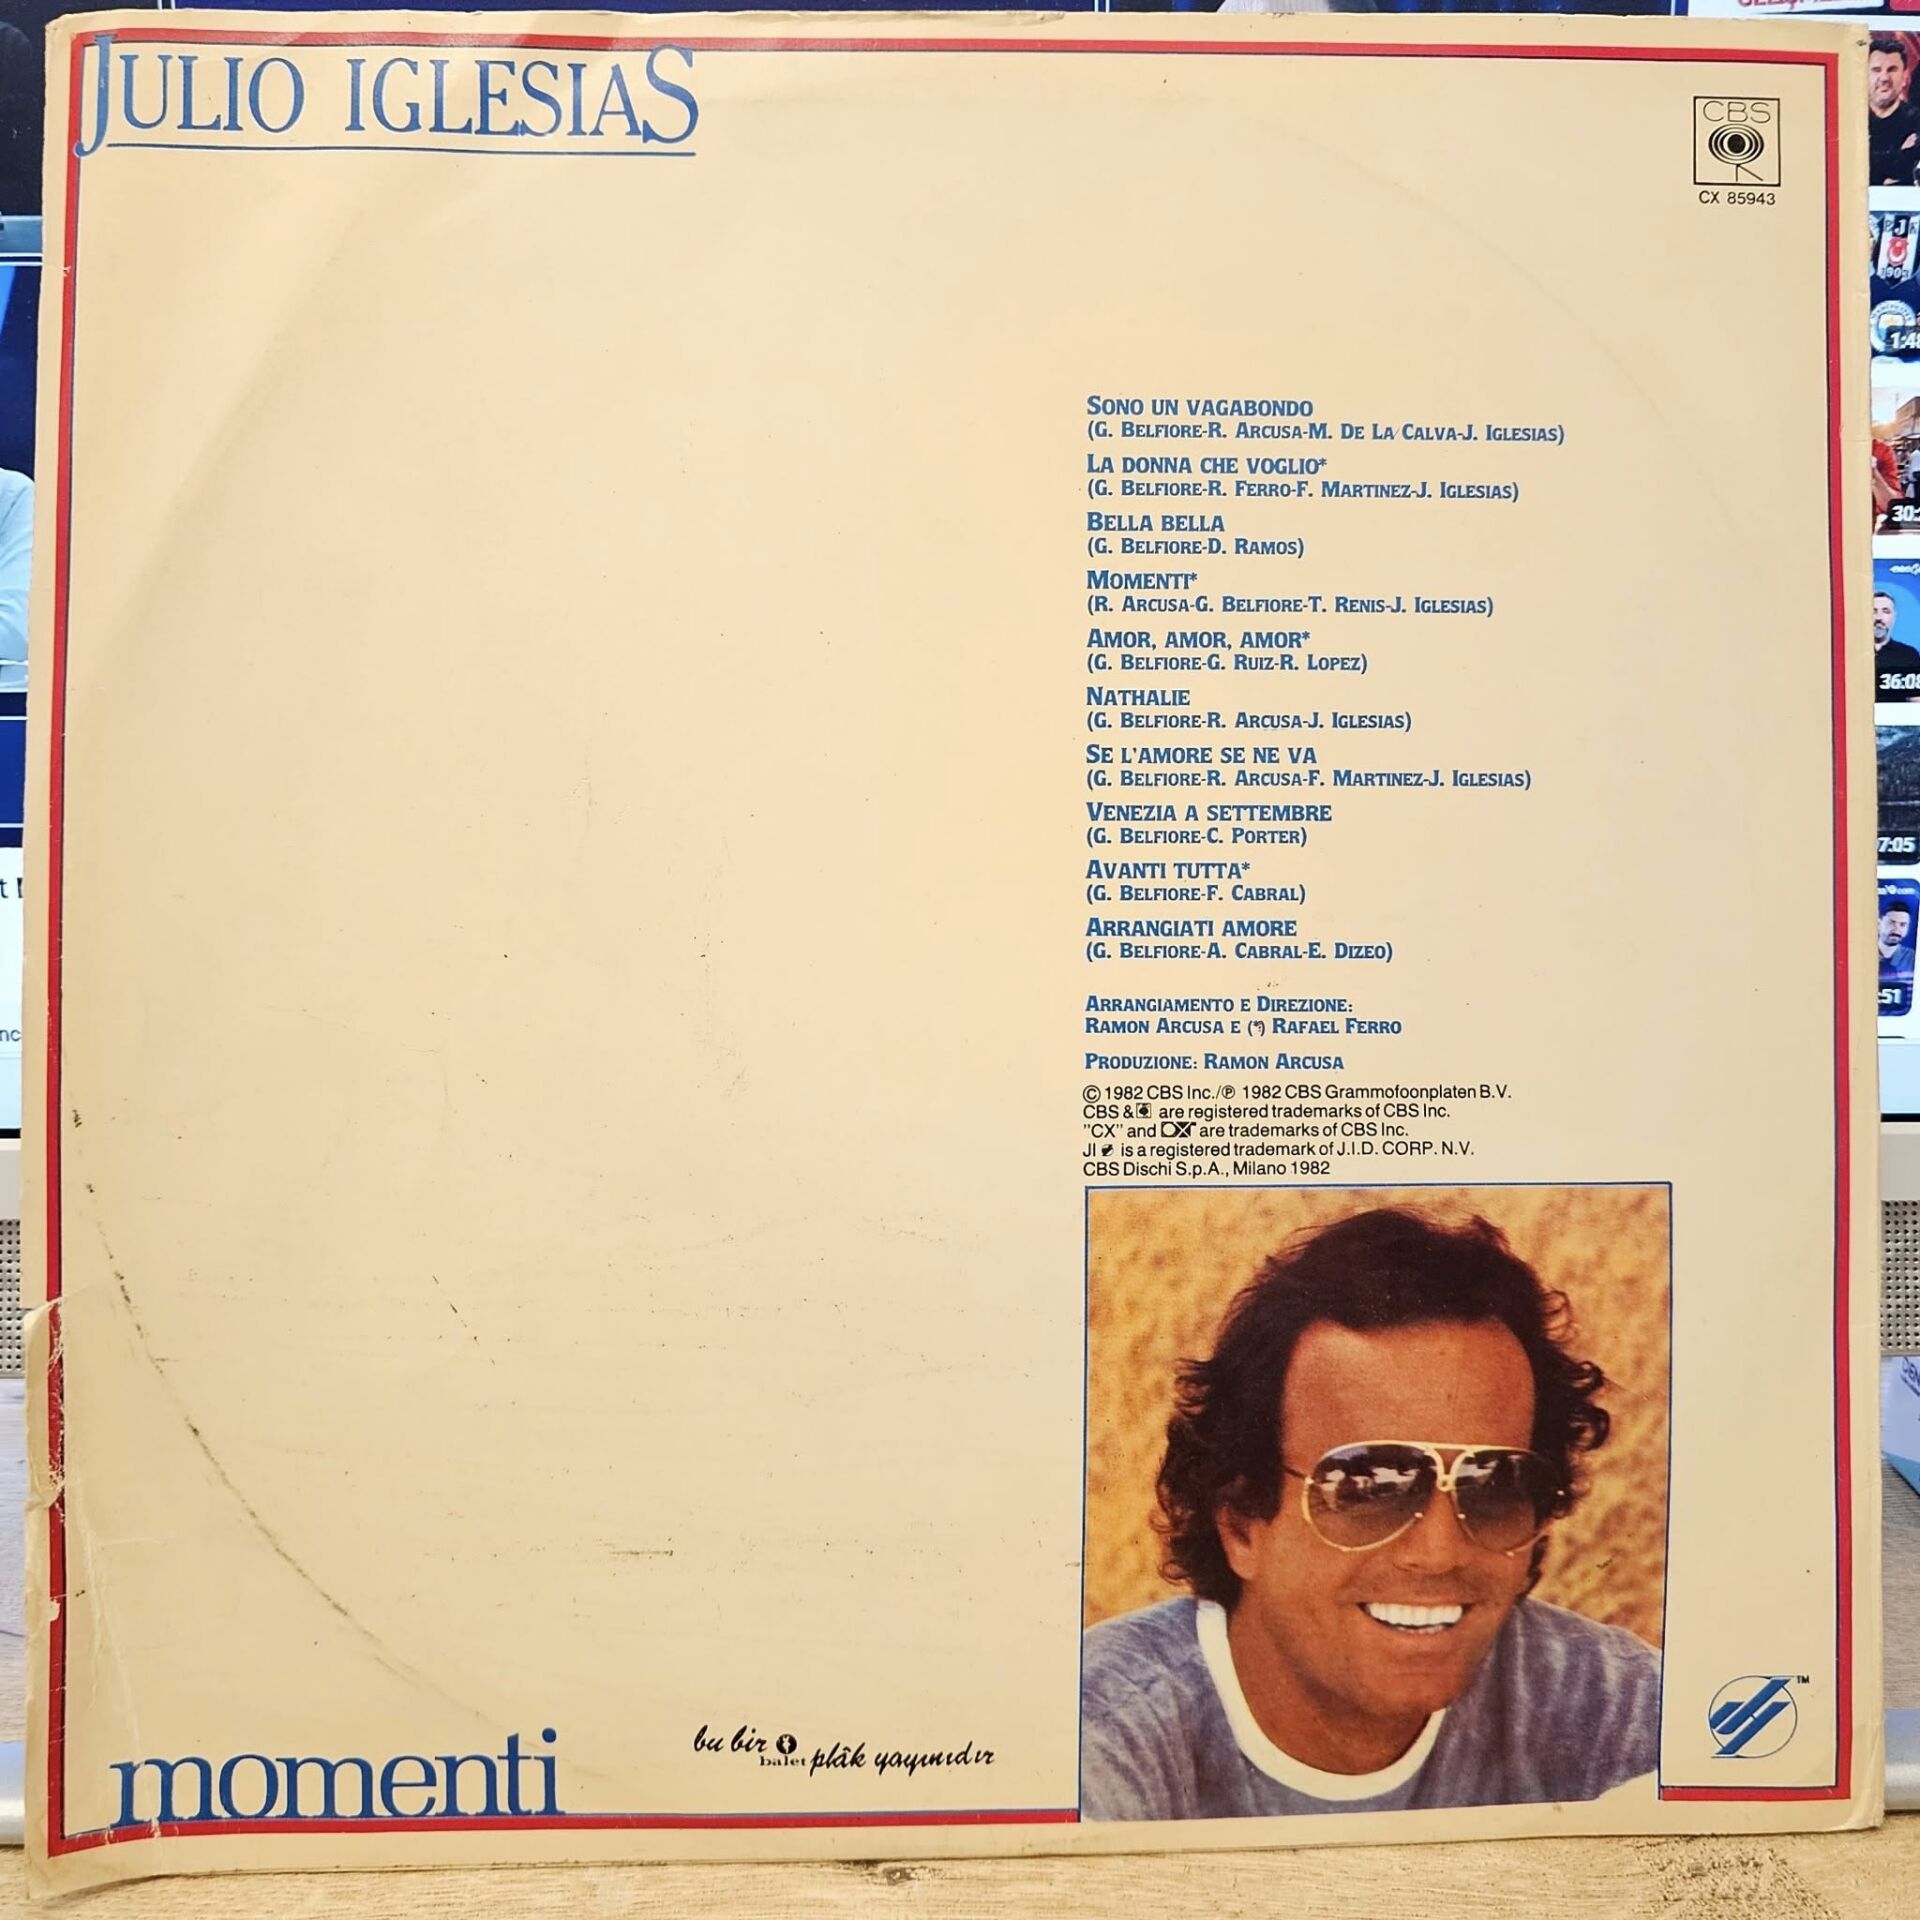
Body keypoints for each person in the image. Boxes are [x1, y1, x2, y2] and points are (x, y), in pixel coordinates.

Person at [1080, 1207, 1659, 1820]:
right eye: (1369, 1487)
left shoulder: (1620, 1711)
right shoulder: (1092, 1738)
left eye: (1494, 1485)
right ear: (1242, 1524)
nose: (1439, 1552)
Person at [1872, 39, 1920, 187]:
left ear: (1905, 77)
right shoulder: (1848, 118)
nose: (1884, 78)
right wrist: (1900, 156)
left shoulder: (1916, 120)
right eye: (1876, 70)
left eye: (1892, 70)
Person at [1878, 590, 1920, 704]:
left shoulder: (1908, 655)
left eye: (1885, 611)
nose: (1879, 618)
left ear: (1894, 617)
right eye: (1874, 611)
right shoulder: (1851, 653)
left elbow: (1916, 699)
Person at [1882, 905, 1915, 984]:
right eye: (1891, 923)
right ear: (1879, 923)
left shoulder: (1912, 957)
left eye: (1902, 925)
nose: (1896, 929)